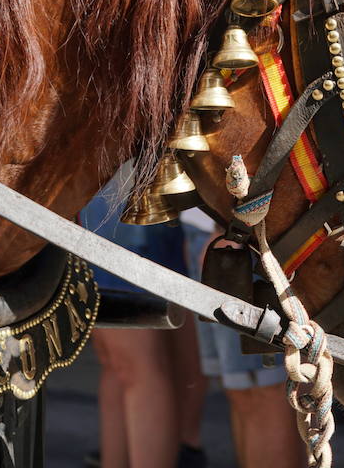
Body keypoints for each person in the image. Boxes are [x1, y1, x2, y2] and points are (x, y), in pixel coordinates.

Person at [83, 173, 207, 468]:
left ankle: (182, 447)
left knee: (137, 366)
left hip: (125, 191)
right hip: (110, 190)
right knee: (119, 364)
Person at [179, 208, 306, 468]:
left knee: (264, 394)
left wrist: (229, 230)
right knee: (244, 394)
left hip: (244, 239)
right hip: (213, 230)